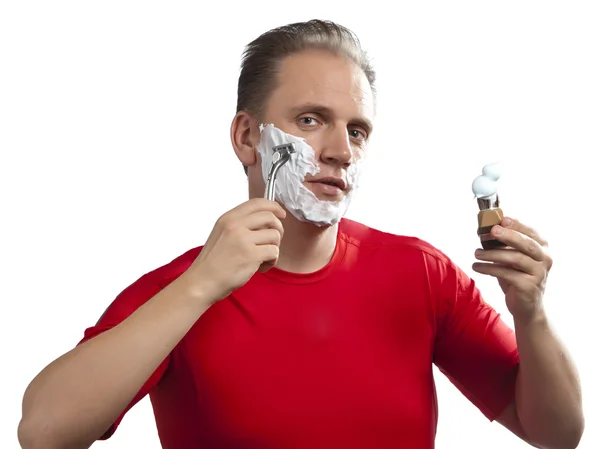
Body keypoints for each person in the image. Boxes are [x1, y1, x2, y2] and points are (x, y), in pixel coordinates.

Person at [18, 19, 583, 449]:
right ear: (246, 136)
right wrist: (198, 289)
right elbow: (42, 431)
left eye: (356, 130)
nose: (340, 151)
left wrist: (530, 311)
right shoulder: (182, 290)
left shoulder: (421, 274)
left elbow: (556, 434)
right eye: (311, 120)